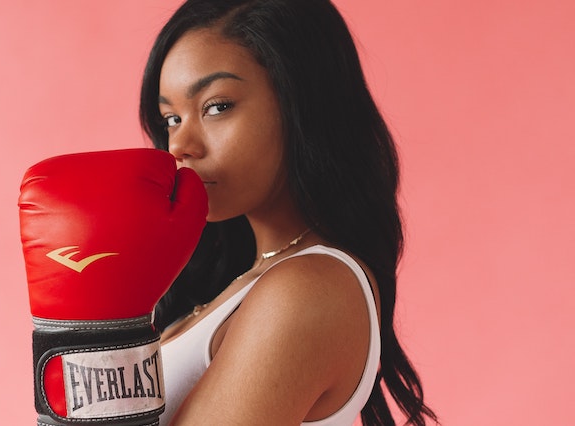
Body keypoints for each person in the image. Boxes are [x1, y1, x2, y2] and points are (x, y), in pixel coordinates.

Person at [139, 0, 438, 425]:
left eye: (216, 106)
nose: (179, 146)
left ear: (300, 102)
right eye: (171, 118)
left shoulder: (308, 289)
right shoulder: (249, 282)